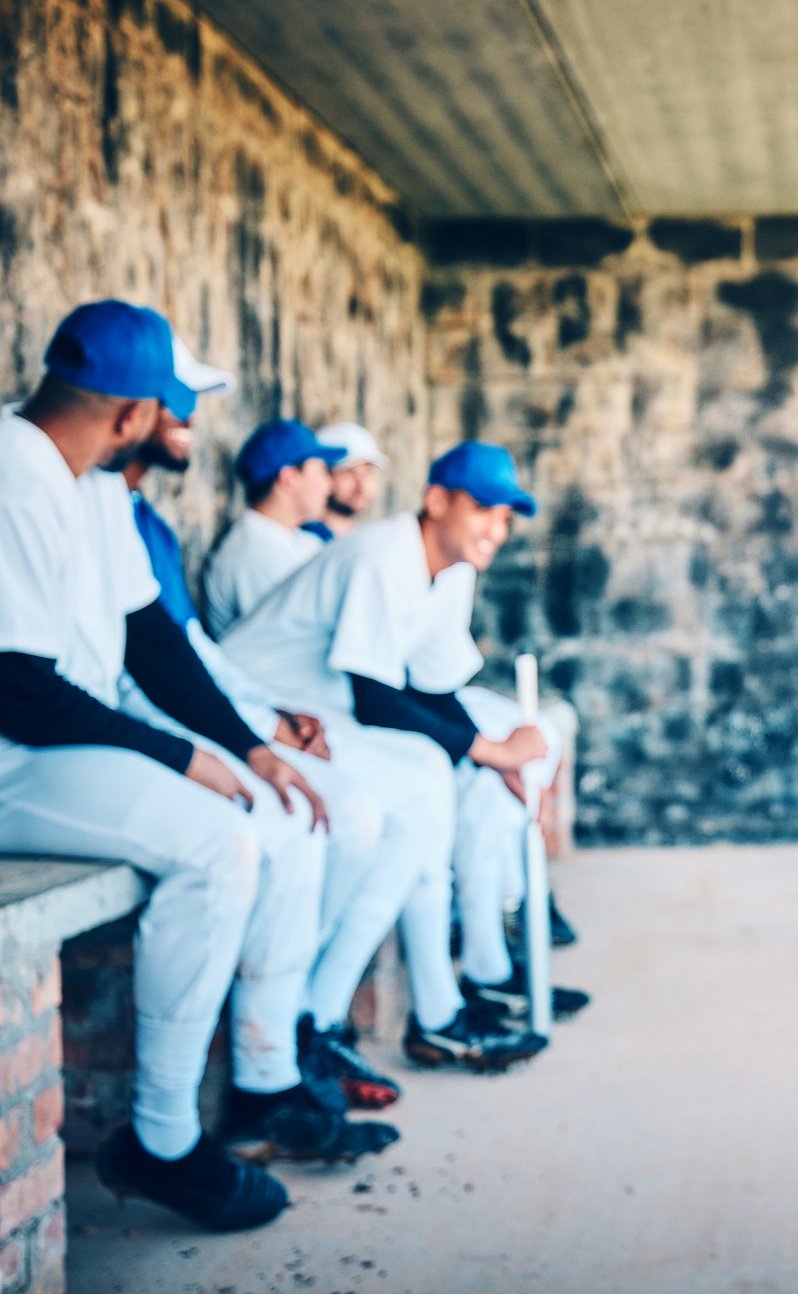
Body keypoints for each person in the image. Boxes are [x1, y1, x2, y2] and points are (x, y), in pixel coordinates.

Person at [0, 303, 383, 1233]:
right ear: (130, 413)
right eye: (168, 404)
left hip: (55, 749)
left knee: (273, 808)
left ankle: (261, 1078)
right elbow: (16, 690)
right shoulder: (10, 471)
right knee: (218, 842)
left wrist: (248, 750)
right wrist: (183, 756)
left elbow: (153, 643)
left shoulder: (89, 482)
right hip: (14, 759)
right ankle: (164, 1141)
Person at [122, 343, 439, 1110]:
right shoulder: (220, 540)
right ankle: (248, 1072)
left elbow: (181, 647)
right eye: (177, 401)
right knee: (312, 815)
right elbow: (143, 667)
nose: (191, 417)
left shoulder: (139, 519)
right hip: (118, 730)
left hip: (206, 710)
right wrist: (251, 733)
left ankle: (289, 1042)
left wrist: (263, 724)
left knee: (365, 805)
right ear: (126, 408)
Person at [220, 441, 584, 1053]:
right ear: (436, 501)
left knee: (436, 788)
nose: (496, 529)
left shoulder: (453, 569)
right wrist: (488, 752)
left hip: (325, 716)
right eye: (482, 510)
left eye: (505, 516)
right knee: (425, 784)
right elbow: (375, 696)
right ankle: (341, 1017)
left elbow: (434, 686)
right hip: (257, 708)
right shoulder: (385, 553)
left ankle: (377, 1014)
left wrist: (494, 756)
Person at [202, 419, 342, 636]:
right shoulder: (251, 553)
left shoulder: (299, 539)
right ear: (289, 479)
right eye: (322, 471)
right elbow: (294, 640)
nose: (330, 485)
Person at [307, 421, 387, 541]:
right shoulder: (301, 541)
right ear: (323, 474)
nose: (361, 484)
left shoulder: (369, 541)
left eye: (368, 472)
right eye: (349, 472)